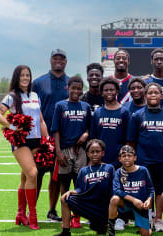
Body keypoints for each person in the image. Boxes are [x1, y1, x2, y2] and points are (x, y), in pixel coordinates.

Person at [0, 65, 49, 230]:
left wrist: (47, 140)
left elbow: (40, 120)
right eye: (22, 75)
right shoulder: (12, 96)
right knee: (33, 173)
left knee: (25, 177)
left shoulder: (35, 95)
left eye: (28, 75)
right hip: (20, 141)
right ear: (17, 78)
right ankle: (32, 216)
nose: (25, 78)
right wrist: (12, 127)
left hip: (36, 139)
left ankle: (20, 214)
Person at [127, 83, 163, 232]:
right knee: (144, 191)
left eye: (155, 93)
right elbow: (132, 140)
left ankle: (158, 220)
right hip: (143, 160)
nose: (152, 95)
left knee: (160, 192)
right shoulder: (137, 115)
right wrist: (133, 160)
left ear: (161, 95)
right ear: (145, 96)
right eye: (150, 93)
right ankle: (145, 220)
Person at [32, 48, 69, 222]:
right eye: (56, 58)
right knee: (36, 174)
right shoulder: (38, 83)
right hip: (41, 138)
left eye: (62, 58)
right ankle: (31, 211)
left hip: (61, 138)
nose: (59, 61)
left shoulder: (71, 83)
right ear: (50, 60)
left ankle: (52, 211)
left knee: (56, 177)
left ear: (66, 61)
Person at [51, 76, 91, 228]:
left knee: (79, 184)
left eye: (79, 88)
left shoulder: (85, 106)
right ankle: (65, 215)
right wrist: (58, 151)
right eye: (73, 88)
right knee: (64, 184)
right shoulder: (61, 106)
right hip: (65, 150)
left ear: (82, 89)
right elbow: (56, 130)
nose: (76, 91)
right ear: (68, 88)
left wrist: (86, 134)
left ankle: (76, 217)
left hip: (80, 151)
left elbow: (89, 127)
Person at [54, 139, 115, 236]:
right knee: (64, 199)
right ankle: (65, 232)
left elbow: (113, 188)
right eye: (92, 152)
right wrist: (71, 191)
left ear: (102, 153)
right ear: (87, 154)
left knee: (100, 230)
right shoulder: (83, 171)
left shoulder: (109, 168)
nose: (95, 154)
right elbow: (80, 189)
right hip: (88, 205)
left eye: (97, 151)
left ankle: (108, 226)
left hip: (103, 206)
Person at [109, 145, 154, 236]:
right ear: (119, 159)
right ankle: (111, 231)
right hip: (125, 206)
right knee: (114, 199)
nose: (126, 158)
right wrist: (133, 200)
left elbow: (151, 189)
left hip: (140, 206)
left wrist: (148, 200)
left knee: (146, 234)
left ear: (135, 158)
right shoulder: (119, 172)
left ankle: (147, 226)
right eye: (124, 156)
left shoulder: (143, 170)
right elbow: (117, 190)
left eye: (129, 155)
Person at [90, 77, 130, 168]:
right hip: (100, 159)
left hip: (119, 159)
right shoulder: (97, 113)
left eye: (112, 90)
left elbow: (128, 139)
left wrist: (125, 156)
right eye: (106, 90)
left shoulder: (124, 112)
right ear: (101, 93)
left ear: (117, 91)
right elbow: (93, 137)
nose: (109, 92)